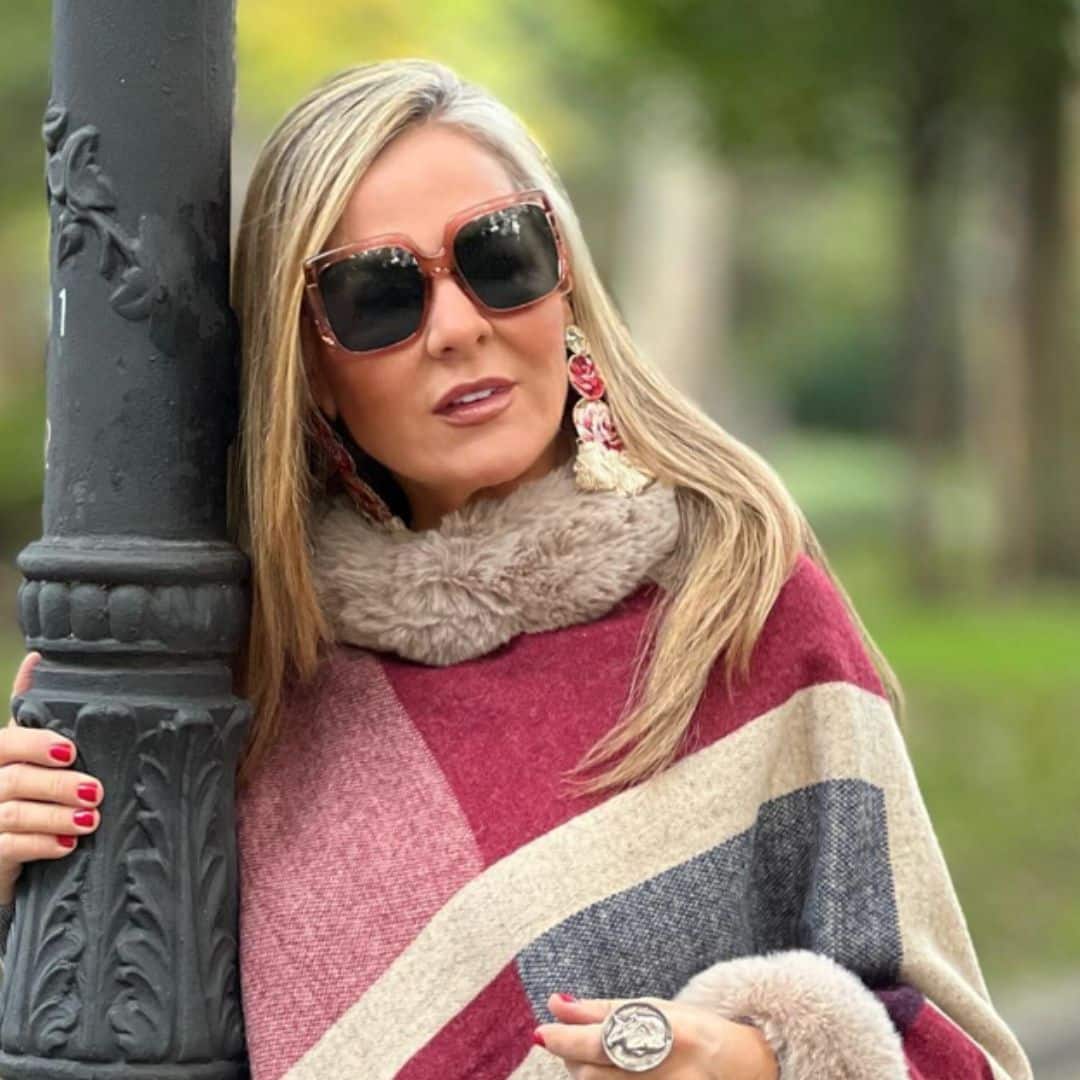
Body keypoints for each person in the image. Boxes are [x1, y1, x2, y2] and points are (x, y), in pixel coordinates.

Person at [2, 58, 1033, 1080]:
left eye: (498, 256)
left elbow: (962, 1056)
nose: (459, 329)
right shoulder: (232, 673)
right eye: (377, 295)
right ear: (307, 367)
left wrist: (764, 1061)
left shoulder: (740, 601)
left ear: (564, 279)